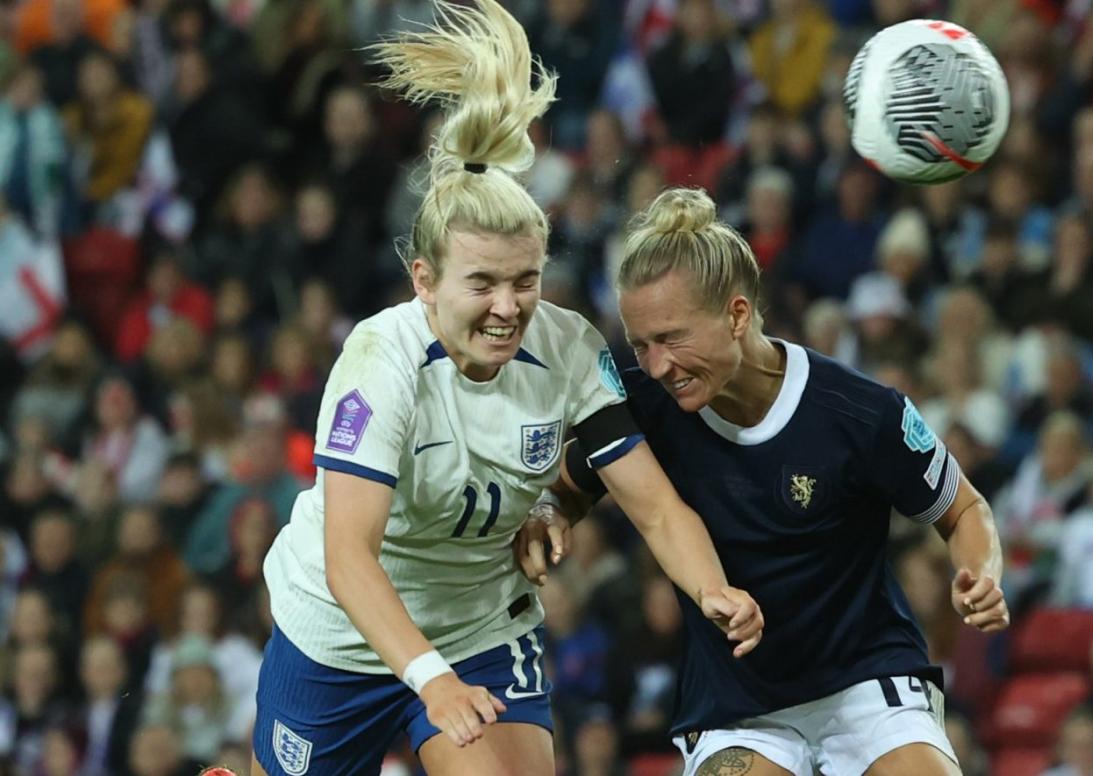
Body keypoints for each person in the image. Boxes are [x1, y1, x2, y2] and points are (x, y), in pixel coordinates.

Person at [248, 4, 764, 776]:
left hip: (481, 629)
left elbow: (653, 505)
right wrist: (430, 681)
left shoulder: (567, 349)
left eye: (526, 280)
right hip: (342, 635)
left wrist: (713, 588)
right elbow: (348, 557)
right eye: (482, 283)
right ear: (424, 281)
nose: (509, 306)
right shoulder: (377, 360)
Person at [517, 188, 1010, 776]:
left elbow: (963, 509)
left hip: (867, 681)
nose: (656, 366)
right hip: (736, 706)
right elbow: (570, 484)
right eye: (641, 345)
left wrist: (980, 573)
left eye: (673, 338)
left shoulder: (859, 413)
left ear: (737, 314)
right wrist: (550, 510)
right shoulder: (643, 406)